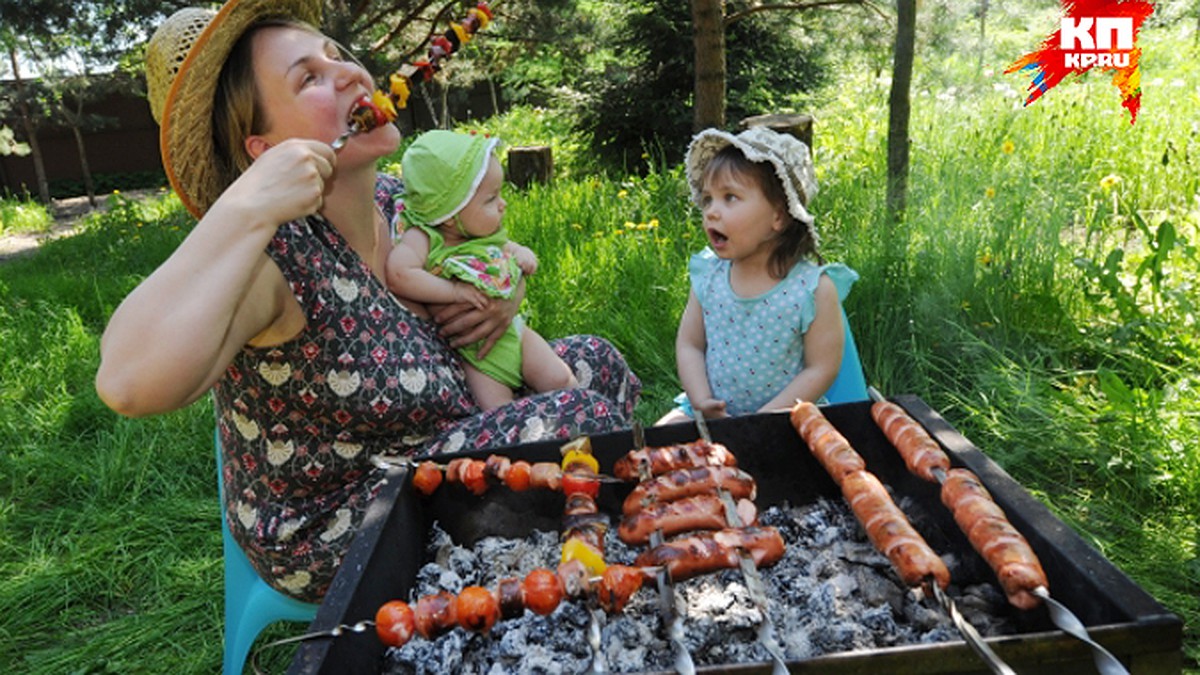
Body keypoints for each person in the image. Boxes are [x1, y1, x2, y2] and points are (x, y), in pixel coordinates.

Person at [94, 0, 639, 603]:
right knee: (579, 419)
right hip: (342, 515)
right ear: (263, 149)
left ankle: (581, 557)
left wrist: (503, 297)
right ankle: (593, 573)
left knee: (598, 360)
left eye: (338, 56)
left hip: (444, 430)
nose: (351, 73)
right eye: (310, 78)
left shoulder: (393, 200)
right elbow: (127, 383)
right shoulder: (274, 258)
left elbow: (484, 254)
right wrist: (246, 207)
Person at [657, 127, 857, 425]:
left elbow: (821, 369)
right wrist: (700, 400)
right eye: (708, 199)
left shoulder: (812, 289)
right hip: (711, 411)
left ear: (778, 215)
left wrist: (763, 421)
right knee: (656, 446)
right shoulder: (709, 275)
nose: (711, 211)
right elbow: (690, 344)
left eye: (730, 198)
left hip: (787, 416)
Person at [386, 130, 578, 411]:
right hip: (476, 355)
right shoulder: (425, 237)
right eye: (490, 199)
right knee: (499, 412)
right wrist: (452, 291)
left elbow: (509, 248)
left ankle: (583, 423)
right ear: (450, 215)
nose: (503, 204)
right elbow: (399, 273)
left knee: (560, 378)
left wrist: (524, 256)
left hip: (515, 334)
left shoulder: (484, 234)